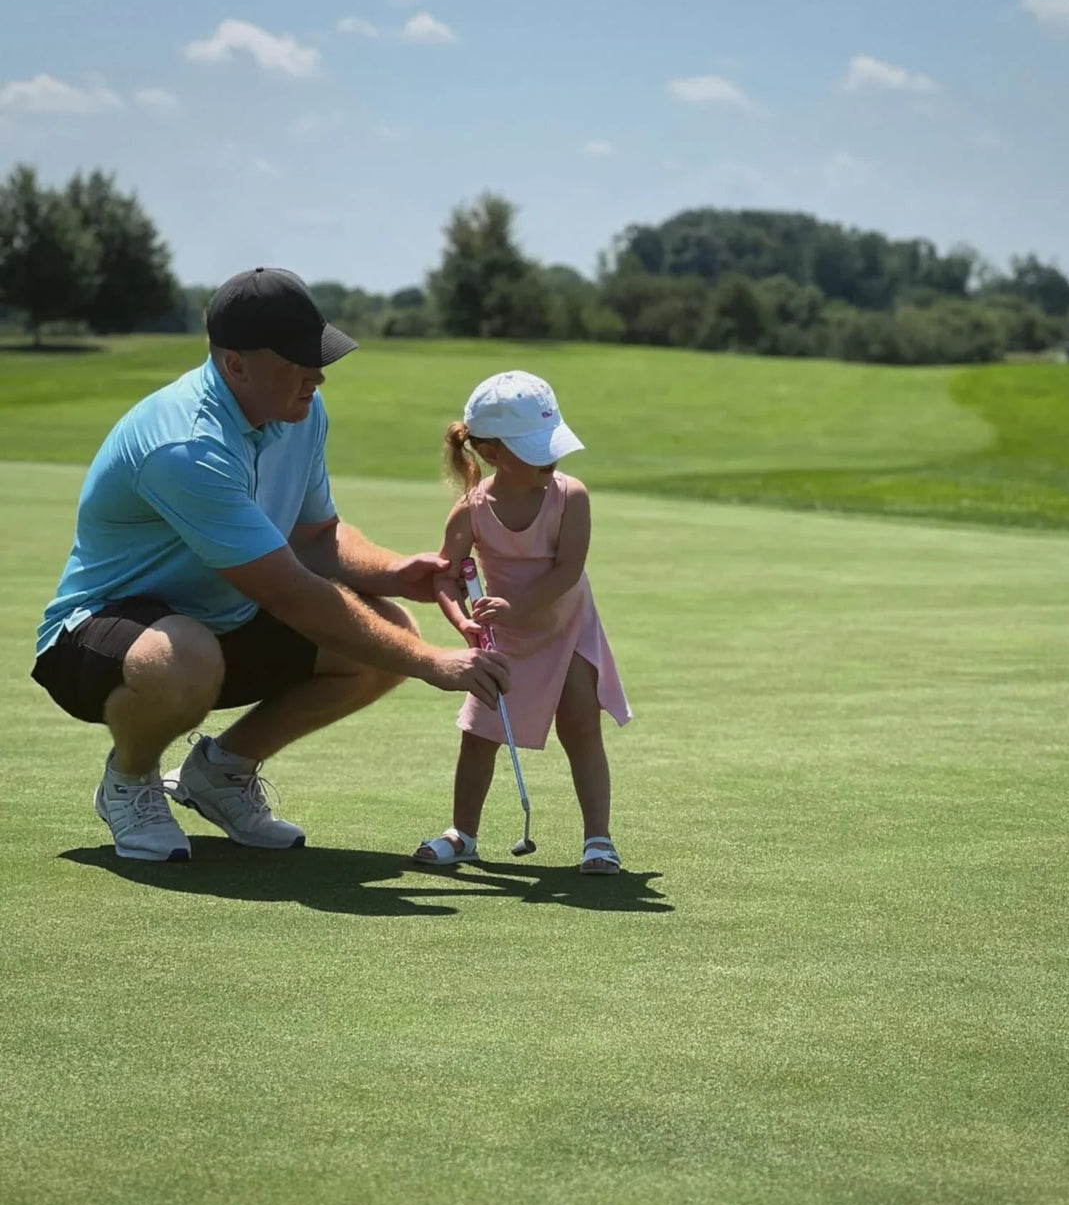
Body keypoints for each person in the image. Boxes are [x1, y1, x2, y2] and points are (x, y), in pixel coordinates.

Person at [31, 267, 508, 863]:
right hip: (96, 639)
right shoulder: (188, 446)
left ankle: (221, 773)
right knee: (185, 654)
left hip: (217, 623)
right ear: (236, 365)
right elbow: (288, 590)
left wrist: (390, 572)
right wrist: (432, 663)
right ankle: (129, 782)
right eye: (300, 360)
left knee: (381, 632)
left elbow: (316, 537)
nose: (319, 374)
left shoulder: (300, 413)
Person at [413, 370, 631, 874]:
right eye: (535, 448)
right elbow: (445, 579)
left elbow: (567, 571)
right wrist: (464, 624)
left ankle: (598, 839)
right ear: (492, 453)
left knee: (581, 730)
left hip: (569, 629)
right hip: (503, 640)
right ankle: (462, 833)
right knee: (479, 735)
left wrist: (515, 606)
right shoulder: (469, 511)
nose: (551, 458)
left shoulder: (570, 496)